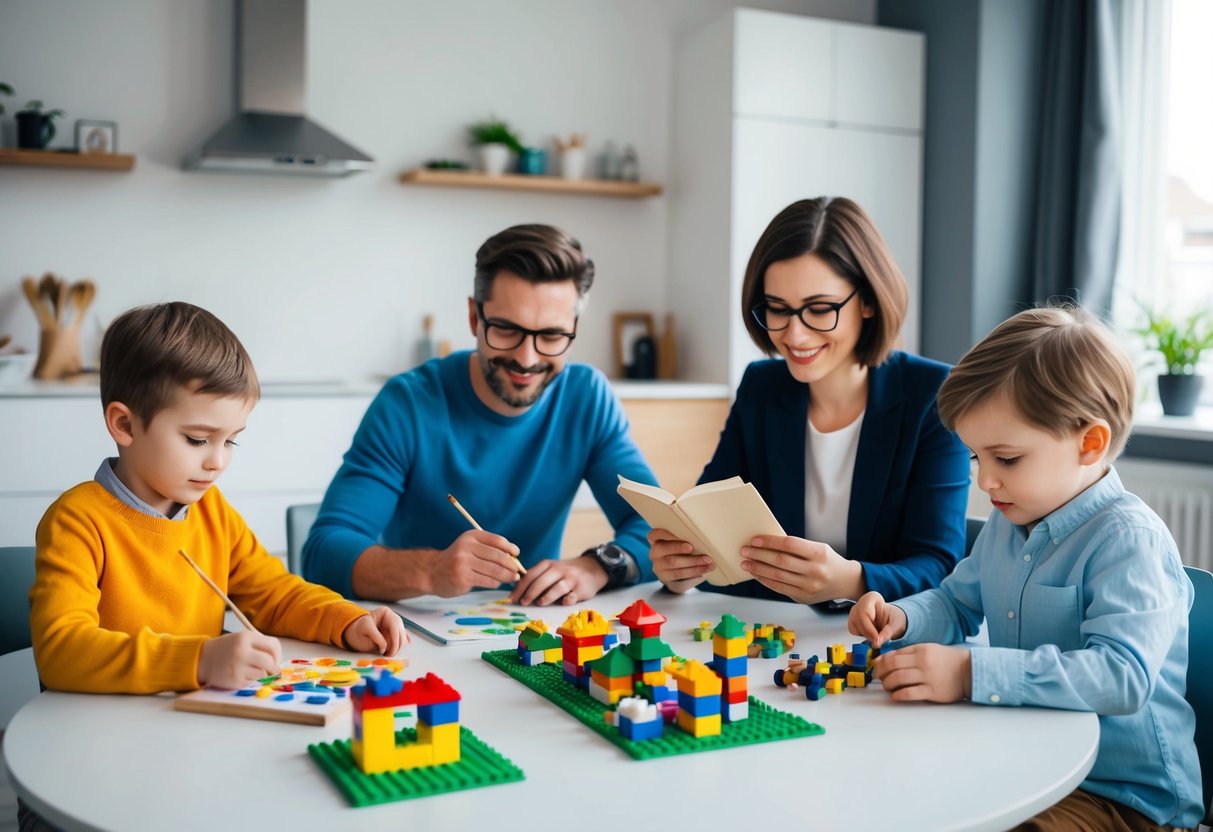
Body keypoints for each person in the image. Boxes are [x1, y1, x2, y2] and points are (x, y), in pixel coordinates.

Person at [849, 306, 1202, 831]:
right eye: (975, 459)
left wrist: (970, 674)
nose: (985, 481)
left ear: (1090, 443)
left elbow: (1121, 677)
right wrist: (900, 617)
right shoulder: (1008, 522)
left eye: (1006, 459)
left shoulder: (1129, 541)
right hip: (1031, 763)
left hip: (1124, 798)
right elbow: (956, 602)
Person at [29, 302, 408, 697]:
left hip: (199, 725)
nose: (218, 461)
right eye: (197, 439)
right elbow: (61, 651)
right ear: (124, 424)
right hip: (100, 735)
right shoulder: (77, 521)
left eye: (230, 440)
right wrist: (198, 661)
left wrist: (347, 619)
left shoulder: (212, 512)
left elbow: (275, 594)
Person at [303, 224, 658, 606]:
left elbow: (657, 529)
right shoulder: (407, 403)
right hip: (416, 636)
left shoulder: (587, 397)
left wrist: (596, 567)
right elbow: (323, 553)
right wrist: (432, 570)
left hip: (533, 629)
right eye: (505, 329)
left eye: (552, 336)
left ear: (573, 329)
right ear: (475, 317)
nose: (527, 358)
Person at [649, 197, 969, 606]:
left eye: (819, 309)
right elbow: (708, 528)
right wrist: (681, 572)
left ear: (869, 300)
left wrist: (852, 581)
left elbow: (939, 564)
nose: (794, 336)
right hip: (776, 636)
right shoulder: (761, 387)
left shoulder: (932, 393)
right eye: (778, 309)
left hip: (882, 642)